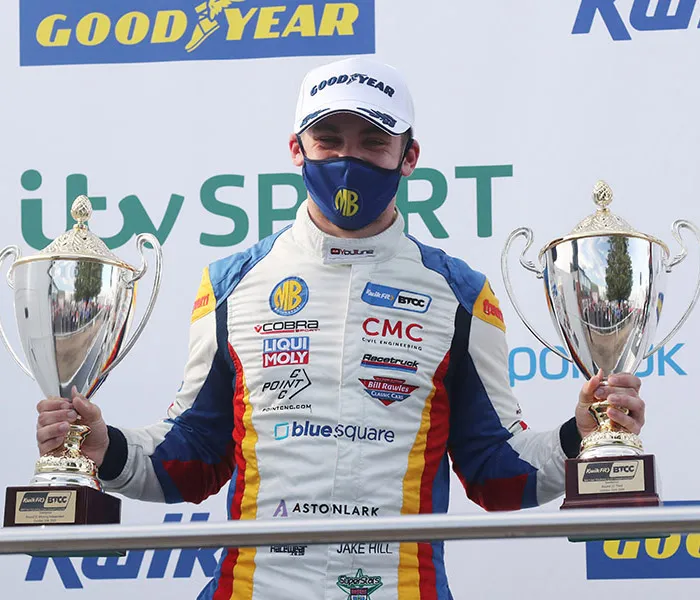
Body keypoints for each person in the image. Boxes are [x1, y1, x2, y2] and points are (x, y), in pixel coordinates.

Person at [36, 57, 645, 599]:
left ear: (409, 155)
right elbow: (193, 456)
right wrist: (102, 448)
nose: (348, 159)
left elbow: (496, 472)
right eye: (329, 140)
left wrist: (580, 437)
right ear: (297, 149)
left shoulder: (461, 292)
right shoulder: (231, 282)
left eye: (372, 142)